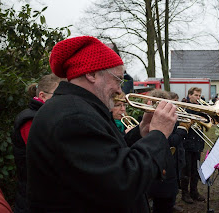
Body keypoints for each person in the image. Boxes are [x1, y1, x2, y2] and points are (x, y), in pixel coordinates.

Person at [26, 36, 177, 212]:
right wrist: (158, 135)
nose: (120, 90)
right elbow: (122, 182)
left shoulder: (78, 108)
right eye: (117, 79)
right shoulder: (73, 117)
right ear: (91, 74)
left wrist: (142, 133)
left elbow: (107, 157)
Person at [12, 74, 62, 213]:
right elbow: (44, 158)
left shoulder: (47, 116)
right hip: (34, 200)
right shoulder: (30, 119)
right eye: (58, 94)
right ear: (42, 95)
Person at [147, 90, 187, 213]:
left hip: (171, 161)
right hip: (160, 170)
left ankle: (170, 203)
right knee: (163, 196)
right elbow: (172, 140)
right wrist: (184, 129)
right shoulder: (154, 121)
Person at [181, 87, 206, 203]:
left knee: (196, 169)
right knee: (186, 170)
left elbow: (207, 122)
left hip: (198, 143)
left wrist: (205, 113)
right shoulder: (184, 108)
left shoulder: (201, 108)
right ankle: (185, 194)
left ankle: (194, 192)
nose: (198, 98)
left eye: (199, 96)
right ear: (189, 95)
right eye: (196, 95)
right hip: (187, 143)